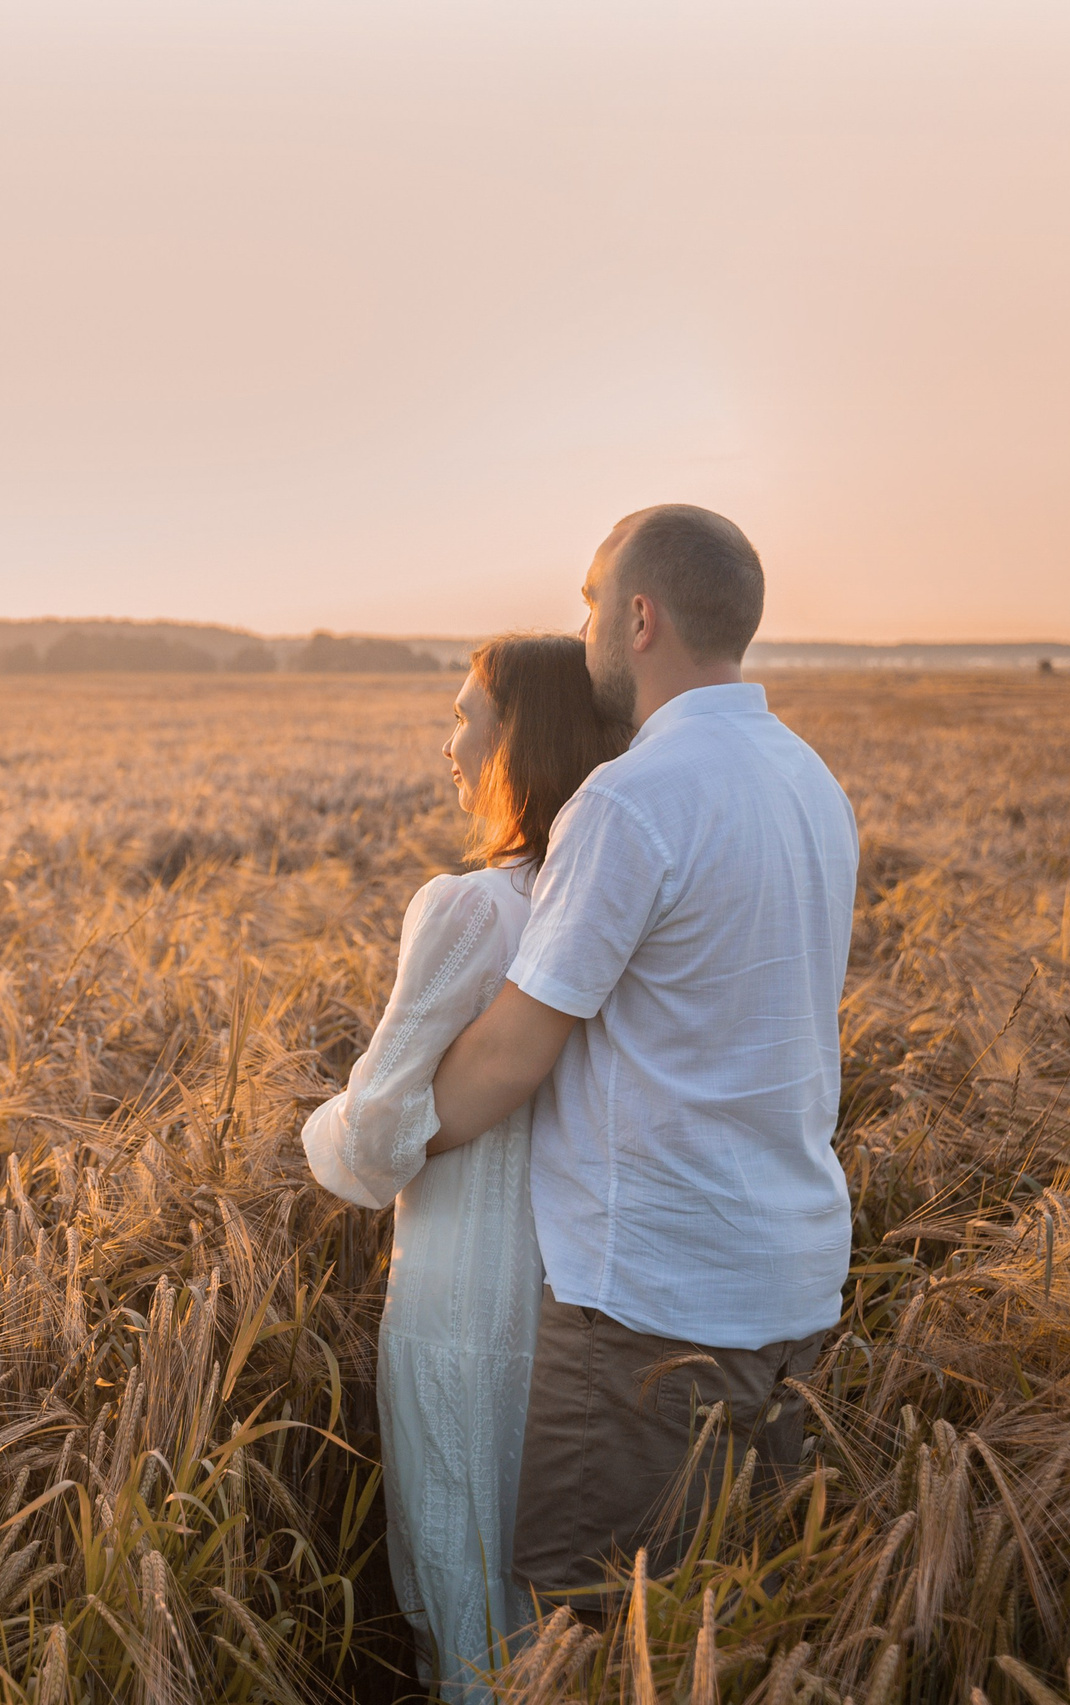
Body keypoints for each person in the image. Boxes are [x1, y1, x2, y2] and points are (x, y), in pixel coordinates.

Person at [427, 505, 859, 1617]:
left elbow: (515, 1048)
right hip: (790, 1282)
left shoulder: (631, 799)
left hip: (650, 1309)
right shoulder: (808, 780)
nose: (578, 631)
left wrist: (374, 1138)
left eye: (585, 602)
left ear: (637, 616)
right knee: (731, 1623)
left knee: (583, 1626)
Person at [300, 634, 628, 1699]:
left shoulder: (469, 907)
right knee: (553, 1607)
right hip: (581, 1304)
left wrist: (318, 1126)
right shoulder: (603, 899)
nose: (448, 745)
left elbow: (373, 1143)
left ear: (511, 742)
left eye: (462, 719)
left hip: (457, 1304)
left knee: (463, 1584)